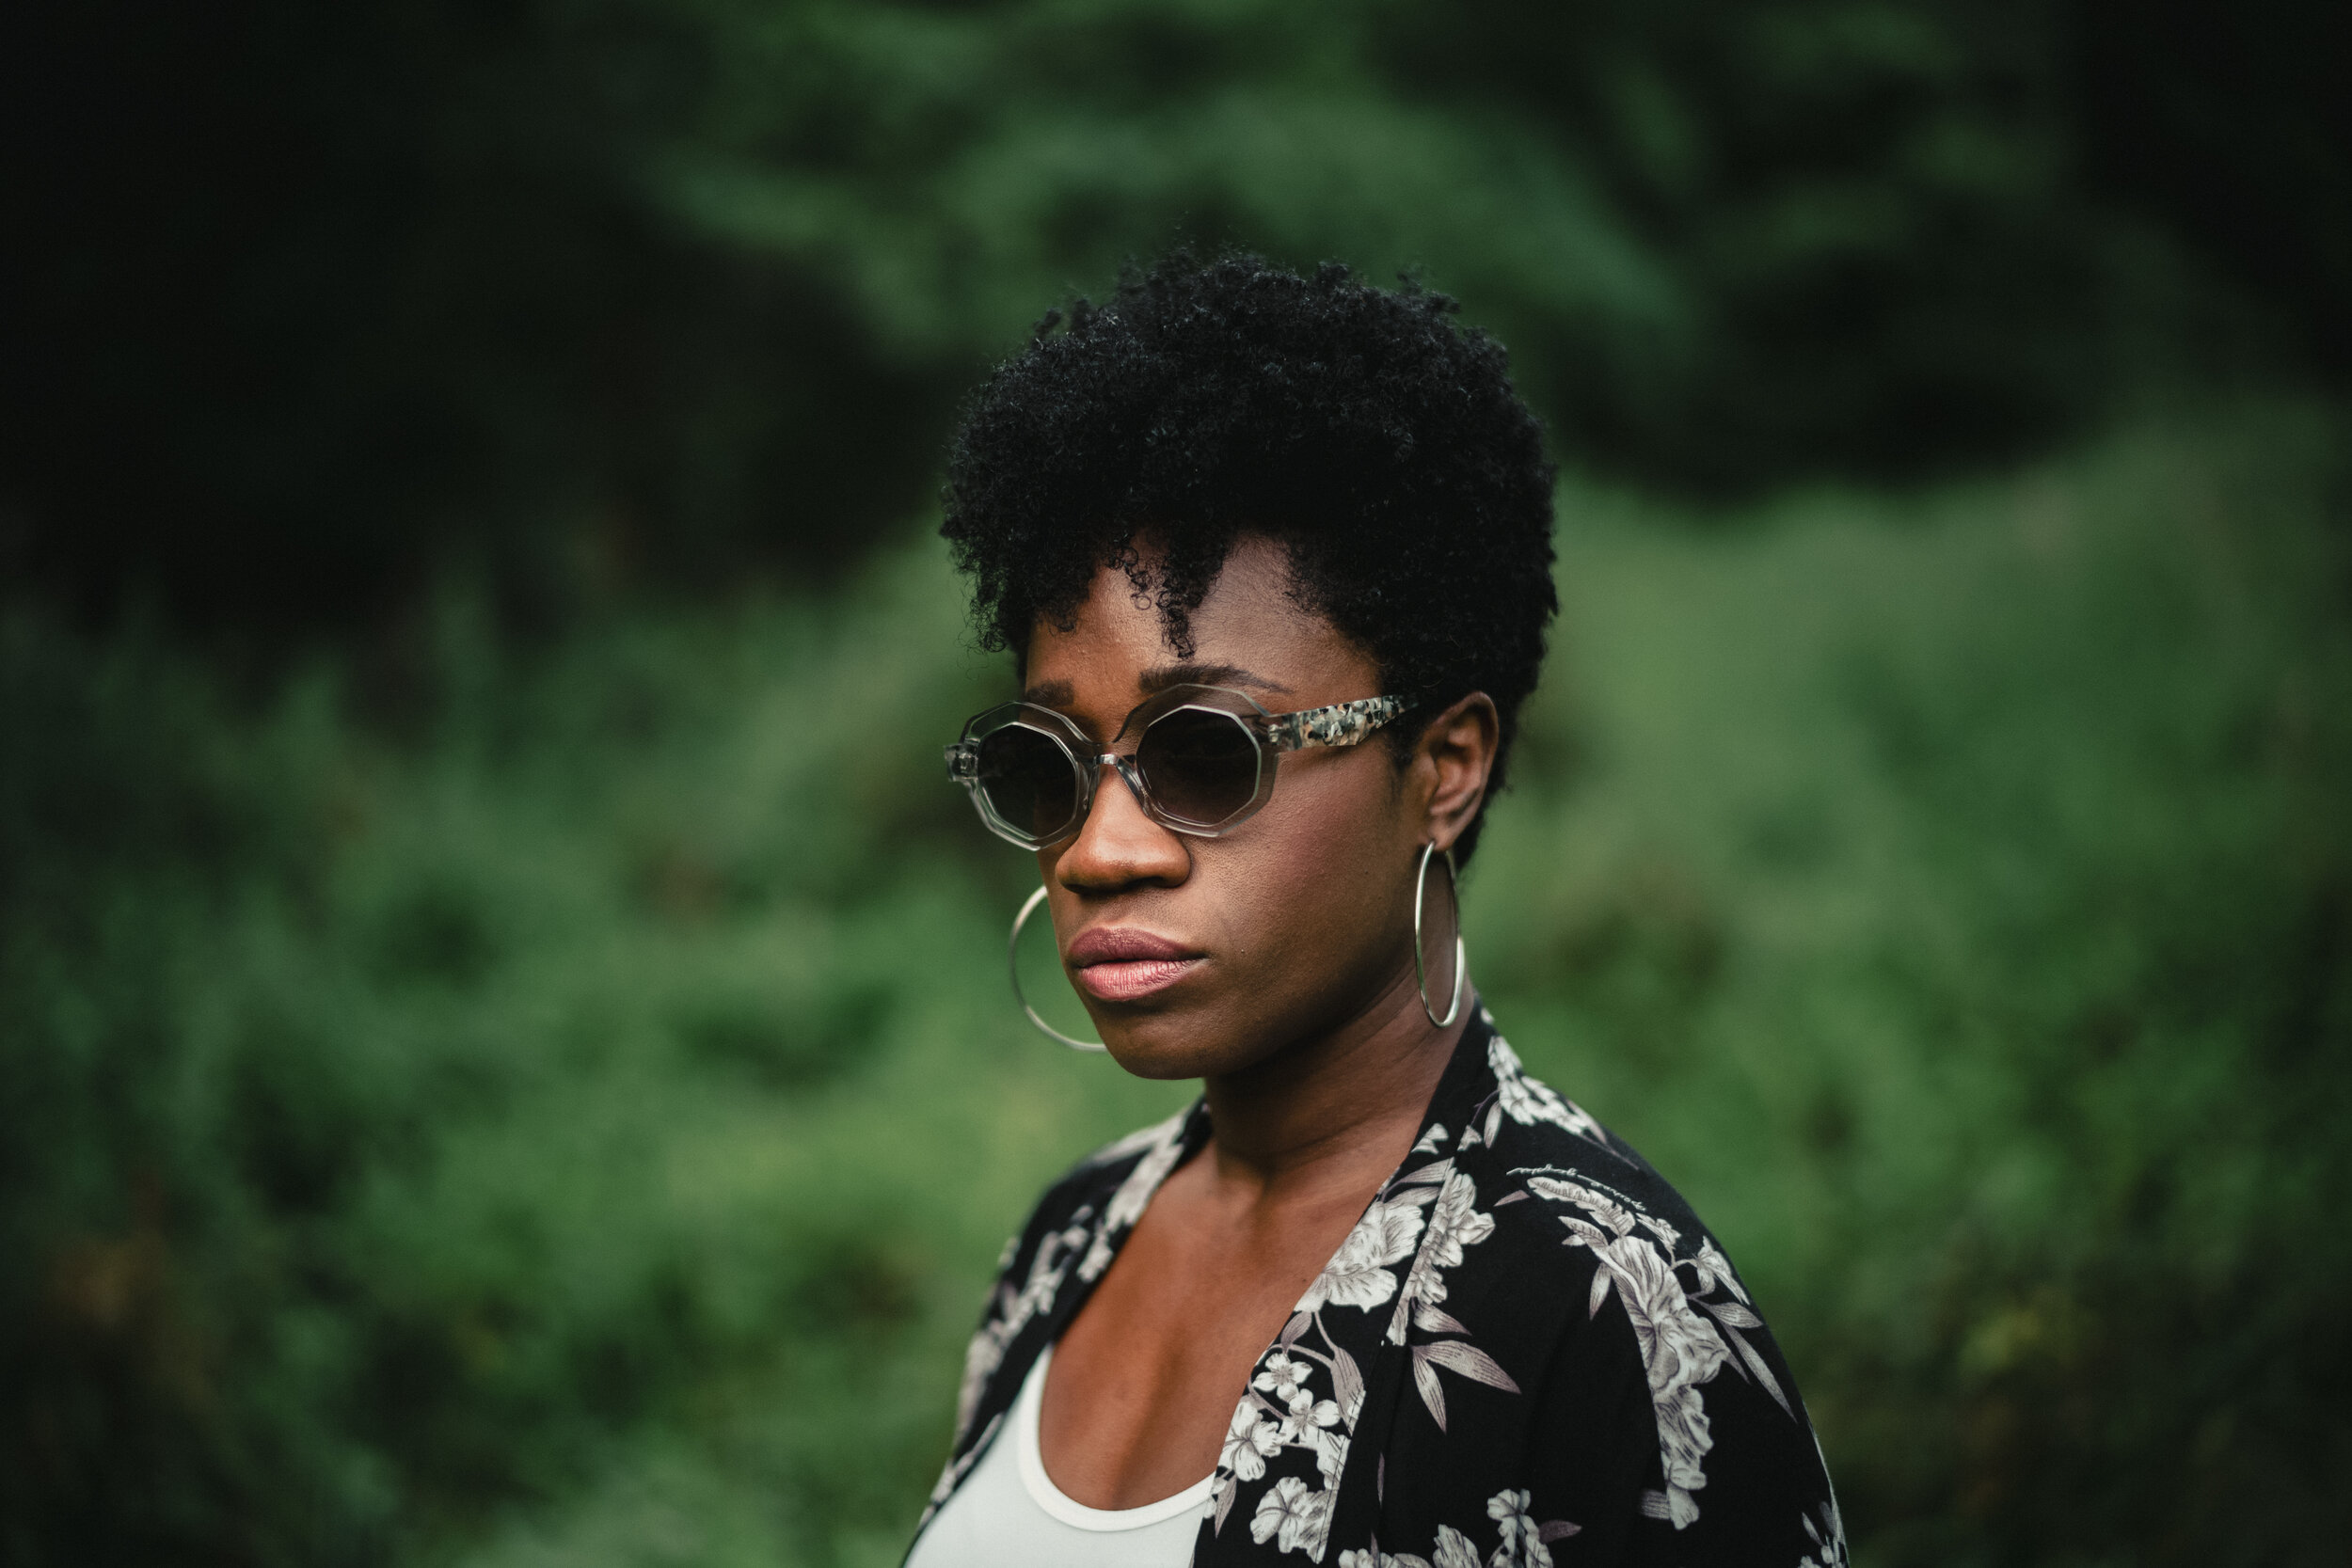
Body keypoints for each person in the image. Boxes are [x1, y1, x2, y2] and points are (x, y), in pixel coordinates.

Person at [904, 255, 1840, 1567]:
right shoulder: (1071, 1238)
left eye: (1207, 754)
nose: (1098, 851)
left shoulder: (1598, 1312)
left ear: (1442, 770)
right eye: (1047, 767)